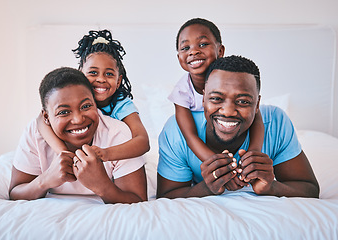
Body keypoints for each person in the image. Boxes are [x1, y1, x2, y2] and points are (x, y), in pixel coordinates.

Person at [157, 55, 319, 199]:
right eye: (216, 98)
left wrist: (271, 187)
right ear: (203, 99)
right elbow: (166, 196)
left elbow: (309, 189)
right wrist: (206, 188)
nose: (228, 112)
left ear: (257, 105)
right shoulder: (177, 131)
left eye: (243, 101)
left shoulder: (276, 122)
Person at [9, 67, 147, 203]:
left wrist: (102, 186)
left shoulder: (117, 133)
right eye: (63, 112)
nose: (78, 119)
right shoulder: (35, 133)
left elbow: (138, 200)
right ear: (46, 117)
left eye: (86, 106)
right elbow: (15, 192)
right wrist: (45, 180)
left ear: (95, 103)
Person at [37, 29, 149, 162]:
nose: (101, 79)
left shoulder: (122, 104)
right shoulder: (72, 99)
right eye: (93, 73)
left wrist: (105, 154)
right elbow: (40, 121)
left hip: (118, 159)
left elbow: (142, 141)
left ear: (118, 81)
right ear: (81, 75)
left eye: (109, 74)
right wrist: (66, 154)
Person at [169, 18, 265, 170]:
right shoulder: (181, 91)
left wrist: (253, 153)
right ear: (179, 57)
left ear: (220, 51)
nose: (193, 51)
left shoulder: (234, 75)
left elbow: (256, 116)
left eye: (203, 44)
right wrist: (220, 166)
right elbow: (190, 136)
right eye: (185, 48)